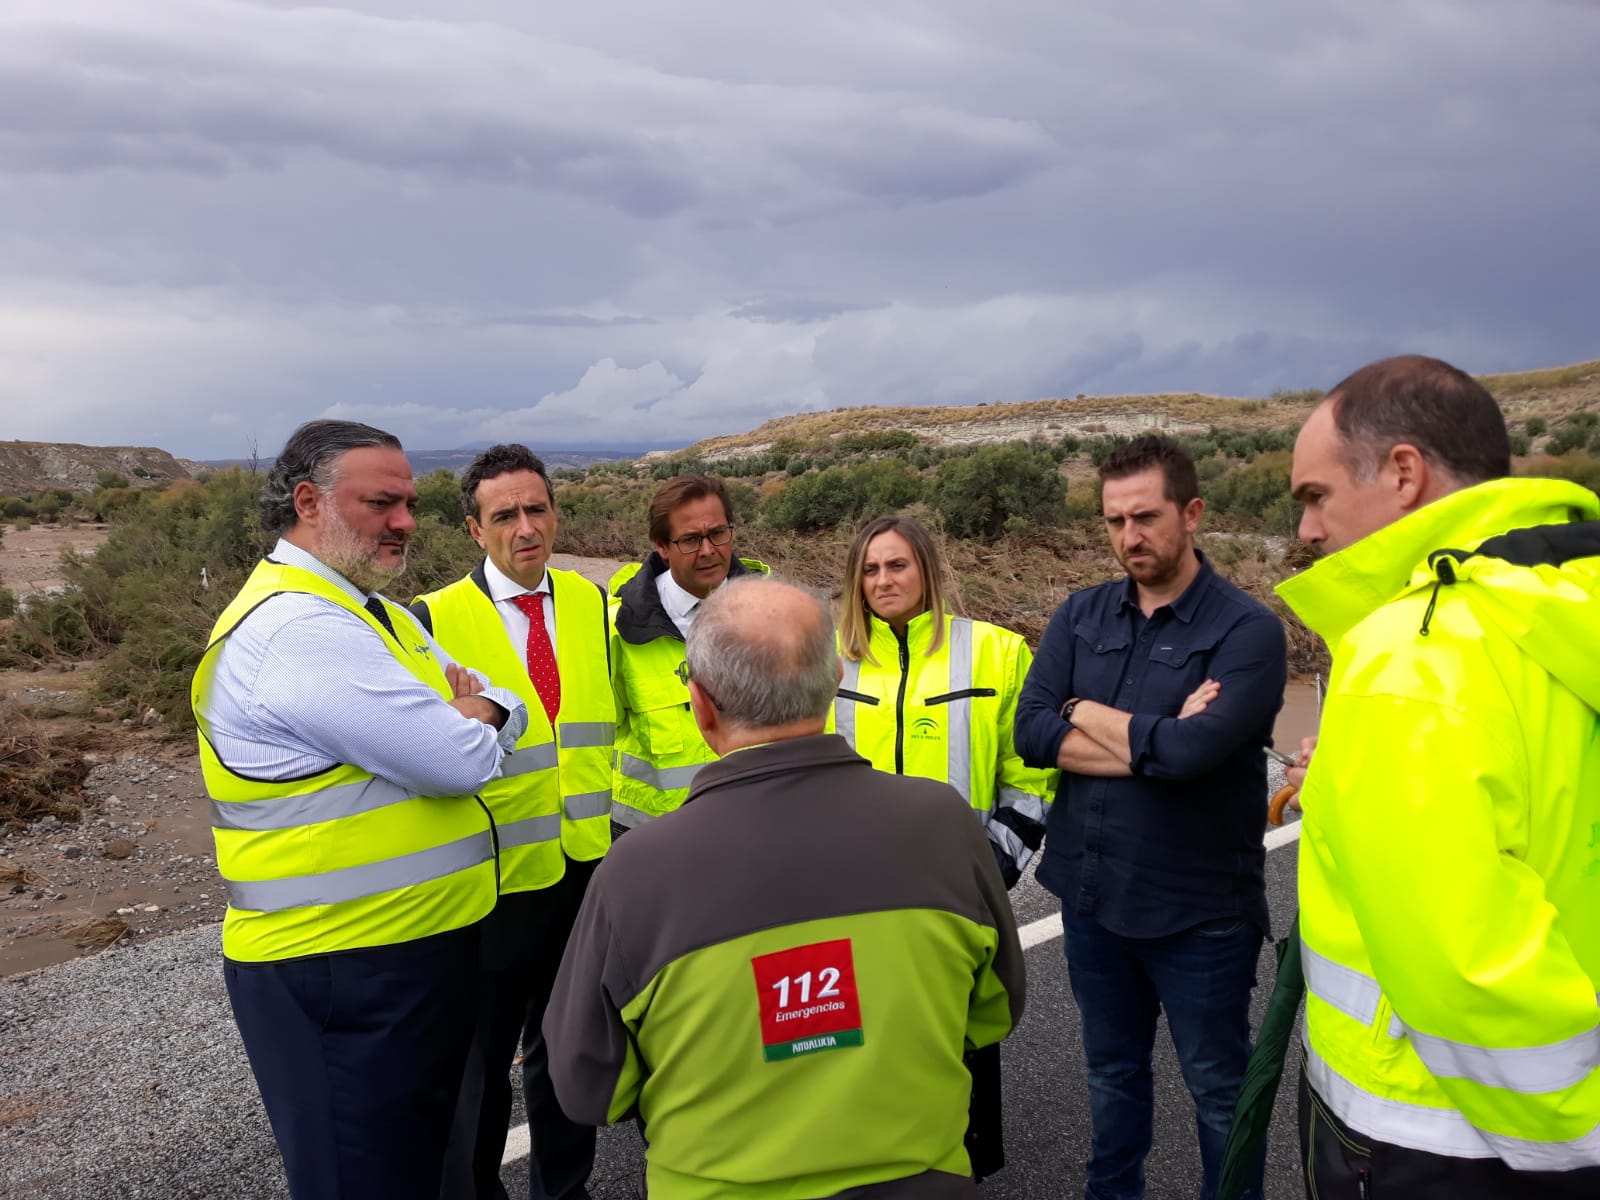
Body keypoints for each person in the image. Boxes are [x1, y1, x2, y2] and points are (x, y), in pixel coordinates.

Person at [545, 577, 1025, 1198]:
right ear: (831, 688)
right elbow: (993, 1011)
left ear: (700, 704)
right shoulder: (944, 825)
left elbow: (588, 1086)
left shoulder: (633, 872)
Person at [1278, 355, 1600, 1196]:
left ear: (1404, 473)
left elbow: (1467, 964)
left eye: (1316, 496)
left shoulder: (1412, 652)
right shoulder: (1564, 604)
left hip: (1441, 1135)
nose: (1307, 532)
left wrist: (1577, 1137)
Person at [191, 420, 527, 1200]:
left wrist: (483, 707)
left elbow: (490, 694)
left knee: (434, 1170)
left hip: (408, 958)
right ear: (309, 502)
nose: (407, 521)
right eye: (383, 502)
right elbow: (458, 758)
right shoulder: (298, 630)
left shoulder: (379, 616)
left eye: (409, 502)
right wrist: (480, 717)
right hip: (340, 971)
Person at [1015, 434, 1287, 1200]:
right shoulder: (1082, 613)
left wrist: (1087, 711)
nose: (1129, 537)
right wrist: (1148, 733)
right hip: (1094, 899)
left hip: (1199, 913)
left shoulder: (1246, 632)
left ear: (1192, 512)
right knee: (1112, 1078)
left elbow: (1198, 753)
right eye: (1113, 521)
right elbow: (1031, 730)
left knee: (1219, 1092)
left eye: (1145, 516)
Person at [409, 445, 613, 1200]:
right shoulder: (430, 618)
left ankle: (564, 1191)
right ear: (474, 529)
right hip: (491, 884)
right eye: (505, 516)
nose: (525, 528)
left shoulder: (592, 603)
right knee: (481, 1069)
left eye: (536, 509)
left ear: (555, 513)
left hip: (583, 867)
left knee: (566, 1052)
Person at [832, 514, 1057, 1179]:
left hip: (958, 893)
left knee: (961, 1042)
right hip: (856, 898)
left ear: (927, 568)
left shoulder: (997, 651)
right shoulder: (829, 660)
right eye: (870, 570)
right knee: (863, 1050)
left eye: (896, 565)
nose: (882, 581)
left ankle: (963, 1171)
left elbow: (1030, 771)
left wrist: (995, 863)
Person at [607, 475, 768, 833]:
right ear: (662, 546)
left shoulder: (775, 615)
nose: (709, 550)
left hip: (755, 826)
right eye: (691, 540)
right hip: (652, 836)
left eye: (718, 533)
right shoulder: (620, 628)